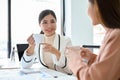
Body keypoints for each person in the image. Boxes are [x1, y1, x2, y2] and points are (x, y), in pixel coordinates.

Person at [66, 0, 120, 80]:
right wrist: (93, 58)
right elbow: (112, 67)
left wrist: (75, 62)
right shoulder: (111, 33)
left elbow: (94, 78)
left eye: (89, 5)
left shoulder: (117, 36)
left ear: (98, 7)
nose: (87, 11)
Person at [21, 9, 72, 74]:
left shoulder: (66, 41)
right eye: (45, 22)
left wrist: (56, 52)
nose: (49, 26)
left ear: (56, 23)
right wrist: (30, 48)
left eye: (52, 21)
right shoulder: (38, 41)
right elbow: (25, 66)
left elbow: (70, 69)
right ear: (40, 25)